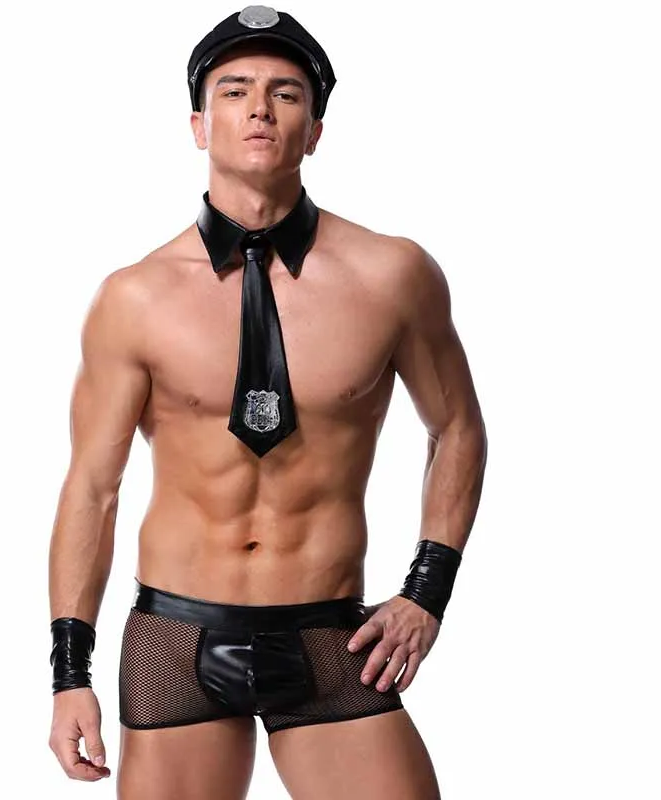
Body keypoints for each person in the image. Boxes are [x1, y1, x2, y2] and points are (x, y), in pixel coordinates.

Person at [47, 5, 487, 798]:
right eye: (235, 90)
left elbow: (456, 428)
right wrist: (68, 673)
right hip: (177, 638)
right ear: (199, 124)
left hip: (330, 636)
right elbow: (92, 488)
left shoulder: (392, 277)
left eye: (285, 94)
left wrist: (426, 592)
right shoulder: (134, 298)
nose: (259, 109)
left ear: (314, 130)